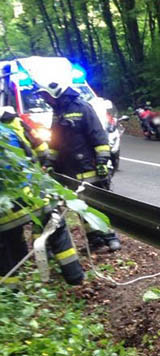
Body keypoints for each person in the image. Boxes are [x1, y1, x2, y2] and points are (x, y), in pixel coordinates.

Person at [32, 76, 121, 252]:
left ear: (56, 92)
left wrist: (102, 161)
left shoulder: (83, 108)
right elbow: (55, 143)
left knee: (98, 206)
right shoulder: (58, 113)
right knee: (81, 208)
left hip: (90, 169)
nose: (45, 99)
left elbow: (99, 136)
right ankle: (95, 241)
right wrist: (50, 162)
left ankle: (110, 238)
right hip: (69, 172)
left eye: (46, 96)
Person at [0, 122, 84, 288]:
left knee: (6, 248)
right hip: (33, 195)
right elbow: (31, 156)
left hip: (4, 211)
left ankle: (11, 293)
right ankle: (75, 278)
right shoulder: (8, 130)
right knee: (57, 230)